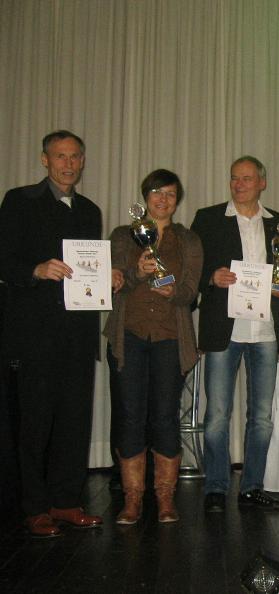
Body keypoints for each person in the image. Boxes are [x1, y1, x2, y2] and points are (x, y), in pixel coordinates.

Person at [0, 130, 103, 537]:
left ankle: (66, 502)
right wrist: (36, 269)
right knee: (35, 423)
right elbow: (4, 259)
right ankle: (34, 507)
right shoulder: (19, 201)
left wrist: (107, 276)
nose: (68, 164)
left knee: (74, 421)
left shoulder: (90, 210)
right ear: (45, 160)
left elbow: (89, 269)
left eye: (75, 156)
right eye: (60, 156)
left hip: (78, 334)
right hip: (34, 335)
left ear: (83, 161)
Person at [191, 156, 279, 513]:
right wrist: (211, 277)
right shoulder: (208, 219)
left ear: (262, 183)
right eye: (234, 178)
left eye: (247, 178)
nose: (239, 184)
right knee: (217, 415)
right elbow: (192, 268)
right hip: (225, 328)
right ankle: (216, 487)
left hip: (265, 329)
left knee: (262, 417)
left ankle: (252, 486)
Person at [104, 169, 202, 523]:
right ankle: (132, 499)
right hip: (128, 337)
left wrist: (173, 292)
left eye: (170, 194)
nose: (163, 199)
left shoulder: (188, 240)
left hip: (170, 339)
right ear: (146, 197)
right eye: (157, 192)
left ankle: (165, 498)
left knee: (164, 417)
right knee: (130, 417)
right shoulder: (122, 235)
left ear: (177, 201)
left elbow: (190, 291)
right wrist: (136, 274)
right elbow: (112, 282)